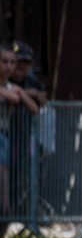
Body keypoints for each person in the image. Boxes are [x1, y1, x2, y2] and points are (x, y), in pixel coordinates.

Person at [0, 45, 40, 216]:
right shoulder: (8, 89)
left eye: (12, 62)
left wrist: (22, 93)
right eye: (4, 62)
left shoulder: (11, 86)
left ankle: (5, 214)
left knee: (4, 178)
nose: (9, 66)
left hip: (4, 137)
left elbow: (33, 108)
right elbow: (12, 97)